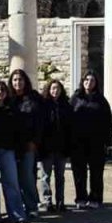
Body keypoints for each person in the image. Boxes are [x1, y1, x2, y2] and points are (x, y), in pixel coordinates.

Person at [0, 80, 28, 223]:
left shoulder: (11, 109)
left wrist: (18, 151)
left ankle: (16, 214)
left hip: (8, 150)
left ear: (6, 92)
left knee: (12, 183)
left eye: (2, 89)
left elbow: (18, 131)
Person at [72, 71, 112, 209]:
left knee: (96, 172)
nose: (89, 83)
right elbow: (68, 120)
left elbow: (108, 121)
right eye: (86, 80)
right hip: (78, 142)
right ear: (82, 81)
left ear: (96, 83)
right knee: (79, 172)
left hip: (96, 142)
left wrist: (108, 142)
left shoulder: (101, 101)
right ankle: (81, 198)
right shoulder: (75, 98)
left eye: (92, 80)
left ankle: (95, 198)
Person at [9, 69, 45, 217]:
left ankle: (32, 206)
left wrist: (35, 141)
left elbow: (40, 121)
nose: (18, 82)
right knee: (12, 178)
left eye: (21, 79)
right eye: (15, 80)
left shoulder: (33, 98)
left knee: (28, 176)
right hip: (11, 145)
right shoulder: (8, 99)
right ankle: (18, 206)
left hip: (28, 144)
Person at [38, 79, 73, 212]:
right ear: (48, 90)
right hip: (46, 147)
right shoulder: (43, 106)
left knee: (60, 176)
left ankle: (60, 201)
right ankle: (47, 202)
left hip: (61, 147)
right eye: (53, 88)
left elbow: (70, 128)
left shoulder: (66, 106)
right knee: (45, 176)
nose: (55, 91)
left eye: (57, 88)